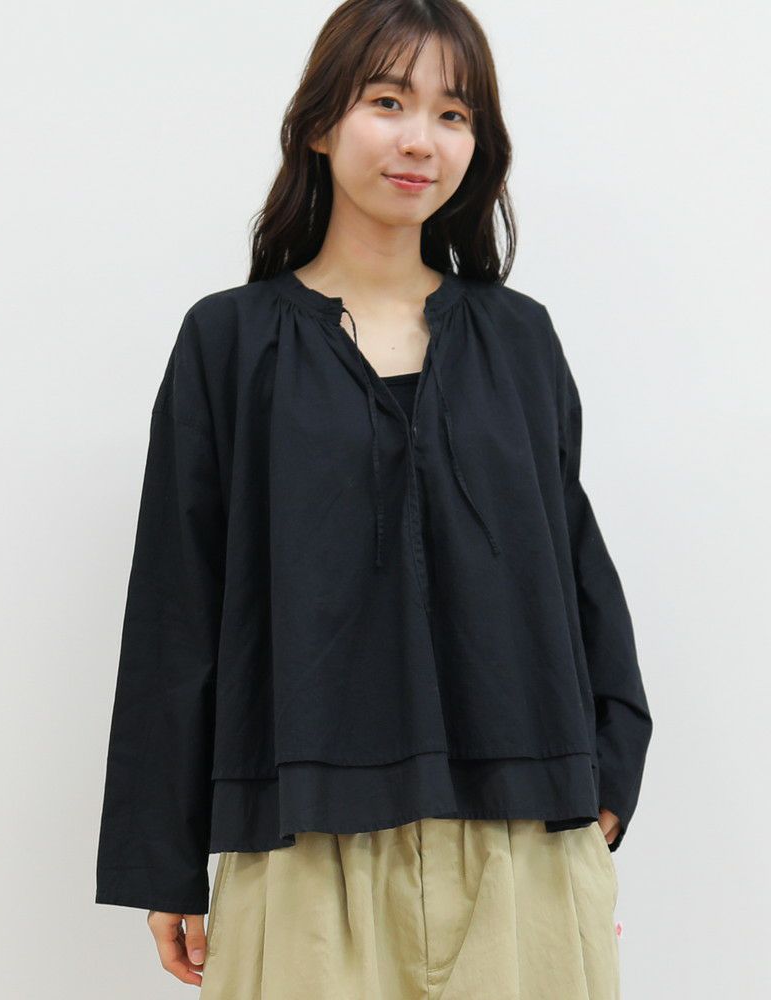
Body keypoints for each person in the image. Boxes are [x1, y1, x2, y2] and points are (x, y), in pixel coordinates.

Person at [95, 1, 653, 997]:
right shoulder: (230, 344)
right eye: (387, 101)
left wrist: (608, 770)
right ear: (319, 122)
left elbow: (574, 564)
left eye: (453, 113)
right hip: (302, 846)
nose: (419, 139)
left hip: (522, 838)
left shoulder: (518, 339)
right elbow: (178, 605)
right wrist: (163, 857)